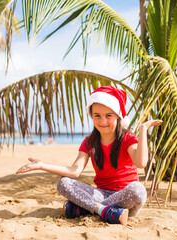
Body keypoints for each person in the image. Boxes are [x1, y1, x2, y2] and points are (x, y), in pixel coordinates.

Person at [16, 86, 162, 225]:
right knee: (63, 183)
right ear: (91, 116)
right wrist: (42, 165)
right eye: (97, 116)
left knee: (138, 190)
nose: (103, 121)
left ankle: (84, 209)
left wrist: (142, 129)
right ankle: (104, 211)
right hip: (100, 194)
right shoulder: (90, 142)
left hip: (126, 196)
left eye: (108, 116)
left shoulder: (127, 137)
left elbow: (141, 163)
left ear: (118, 116)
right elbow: (74, 171)